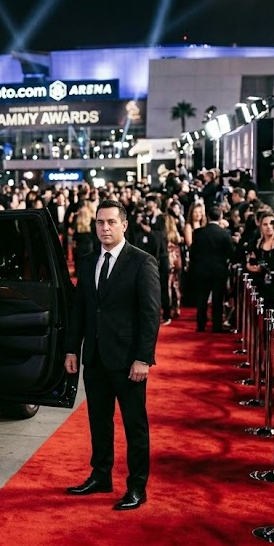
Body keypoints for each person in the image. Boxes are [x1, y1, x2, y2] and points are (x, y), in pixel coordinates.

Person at [64, 199, 161, 511]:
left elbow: (150, 315)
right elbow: (80, 309)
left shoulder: (142, 262)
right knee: (98, 421)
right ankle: (101, 475)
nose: (104, 228)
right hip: (94, 358)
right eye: (99, 223)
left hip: (128, 361)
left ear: (124, 225)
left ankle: (137, 487)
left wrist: (143, 358)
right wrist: (71, 348)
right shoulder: (88, 260)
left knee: (135, 425)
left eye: (110, 222)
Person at [190, 207, 234, 333]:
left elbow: (193, 253)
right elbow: (231, 253)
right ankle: (217, 326)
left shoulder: (198, 232)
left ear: (207, 217)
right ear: (220, 217)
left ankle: (201, 325)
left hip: (202, 269)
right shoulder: (225, 233)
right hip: (219, 270)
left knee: (202, 297)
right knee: (218, 299)